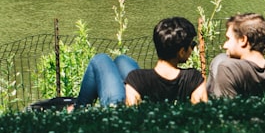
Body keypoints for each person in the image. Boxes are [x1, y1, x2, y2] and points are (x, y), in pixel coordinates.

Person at [74, 16, 207, 108]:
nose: (193, 48)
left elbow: (132, 116)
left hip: (117, 111)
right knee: (122, 60)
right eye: (192, 45)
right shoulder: (193, 78)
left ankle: (79, 111)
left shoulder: (137, 78)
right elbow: (201, 109)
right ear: (181, 52)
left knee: (100, 59)